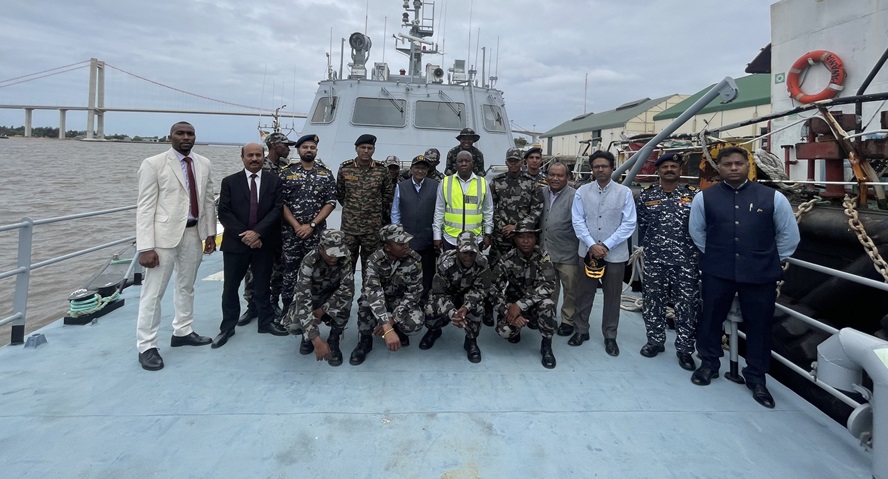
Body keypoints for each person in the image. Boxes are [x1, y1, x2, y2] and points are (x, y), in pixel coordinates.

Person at [689, 146, 800, 409]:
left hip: (760, 273)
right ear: (720, 168)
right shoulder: (704, 199)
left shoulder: (773, 198)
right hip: (718, 270)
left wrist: (764, 257)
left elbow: (788, 236)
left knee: (759, 325)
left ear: (748, 165)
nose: (734, 168)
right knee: (711, 318)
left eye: (739, 163)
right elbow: (698, 232)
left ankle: (757, 377)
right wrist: (719, 255)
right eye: (727, 164)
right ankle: (709, 364)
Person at [135, 121, 217, 371]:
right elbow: (145, 206)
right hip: (163, 238)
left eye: (190, 133)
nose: (185, 137)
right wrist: (146, 246)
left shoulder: (203, 163)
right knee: (153, 292)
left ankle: (182, 331)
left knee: (186, 286)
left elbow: (208, 201)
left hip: (193, 234)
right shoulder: (154, 164)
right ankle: (147, 345)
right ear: (169, 136)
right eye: (180, 133)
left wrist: (211, 233)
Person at [212, 143, 286, 348]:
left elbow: (277, 209)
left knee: (263, 285)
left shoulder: (275, 181)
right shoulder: (229, 182)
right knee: (230, 287)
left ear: (263, 157)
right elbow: (224, 212)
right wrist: (245, 235)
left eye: (258, 155)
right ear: (242, 157)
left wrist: (258, 233)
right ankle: (227, 327)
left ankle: (266, 322)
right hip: (236, 243)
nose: (254, 159)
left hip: (264, 242)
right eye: (250, 155)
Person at [636, 153, 699, 371]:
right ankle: (655, 341)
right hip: (655, 260)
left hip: (686, 261)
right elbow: (642, 226)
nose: (669, 169)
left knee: (686, 305)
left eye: (674, 166)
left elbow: (700, 227)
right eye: (665, 167)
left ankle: (684, 349)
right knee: (653, 301)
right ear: (658, 171)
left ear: (680, 170)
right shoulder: (647, 196)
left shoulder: (694, 196)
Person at [570, 150, 637, 356]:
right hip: (588, 252)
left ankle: (610, 335)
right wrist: (591, 244)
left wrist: (606, 245)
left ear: (612, 168)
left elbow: (629, 223)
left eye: (604, 166)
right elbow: (578, 220)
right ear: (592, 169)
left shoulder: (624, 193)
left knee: (612, 296)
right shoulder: (582, 191)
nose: (600, 169)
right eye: (597, 166)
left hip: (615, 255)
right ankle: (581, 330)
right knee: (584, 293)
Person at [239, 131, 295, 325]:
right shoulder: (260, 168)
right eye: (285, 145)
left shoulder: (286, 168)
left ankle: (273, 302)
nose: (289, 148)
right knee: (253, 269)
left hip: (280, 228)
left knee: (279, 268)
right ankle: (252, 305)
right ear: (274, 146)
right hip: (259, 227)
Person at [349, 224, 425, 366]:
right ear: (387, 247)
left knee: (415, 322)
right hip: (379, 299)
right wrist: (385, 325)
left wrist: (393, 321)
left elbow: (413, 293)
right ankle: (365, 340)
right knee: (365, 303)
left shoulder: (414, 260)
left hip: (399, 301)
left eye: (407, 241)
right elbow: (373, 292)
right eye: (400, 243)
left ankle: (398, 329)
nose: (406, 245)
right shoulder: (374, 260)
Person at [279, 134, 337, 318]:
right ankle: (289, 311)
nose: (309, 150)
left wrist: (311, 225)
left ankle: (314, 311)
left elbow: (330, 202)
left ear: (316, 150)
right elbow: (281, 202)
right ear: (298, 150)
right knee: (290, 273)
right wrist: (297, 226)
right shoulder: (286, 173)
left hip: (316, 233)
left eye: (312, 147)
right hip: (291, 233)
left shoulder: (325, 173)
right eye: (305, 147)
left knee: (317, 273)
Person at [282, 229, 355, 367]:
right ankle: (307, 336)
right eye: (331, 254)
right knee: (292, 324)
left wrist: (322, 311)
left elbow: (346, 289)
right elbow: (303, 298)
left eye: (337, 253)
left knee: (345, 303)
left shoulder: (344, 258)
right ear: (321, 248)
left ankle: (334, 339)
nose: (335, 258)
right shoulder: (309, 261)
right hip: (312, 298)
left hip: (332, 298)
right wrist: (316, 339)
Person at [491, 219, 558, 369]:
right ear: (515, 239)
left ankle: (546, 346)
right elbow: (493, 290)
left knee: (548, 305)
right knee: (505, 331)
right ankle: (517, 329)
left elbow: (548, 285)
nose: (526, 241)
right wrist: (508, 310)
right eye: (521, 237)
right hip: (512, 305)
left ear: (536, 239)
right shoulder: (506, 260)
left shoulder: (543, 257)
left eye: (530, 236)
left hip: (533, 305)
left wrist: (520, 305)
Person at [420, 231, 491, 363]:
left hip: (468, 296)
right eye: (465, 253)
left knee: (478, 308)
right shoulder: (445, 262)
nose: (469, 257)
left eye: (472, 253)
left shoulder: (482, 263)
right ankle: (434, 330)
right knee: (430, 307)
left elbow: (482, 289)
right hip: (448, 295)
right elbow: (438, 292)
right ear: (457, 249)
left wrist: (467, 307)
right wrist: (452, 312)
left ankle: (470, 340)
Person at [336, 134, 393, 282]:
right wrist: (353, 210)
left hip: (372, 229)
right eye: (363, 148)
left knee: (370, 267)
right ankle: (344, 300)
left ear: (373, 150)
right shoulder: (345, 168)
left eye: (369, 148)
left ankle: (367, 301)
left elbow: (387, 195)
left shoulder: (382, 170)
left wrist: (373, 210)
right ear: (356, 149)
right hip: (350, 228)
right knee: (346, 266)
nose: (366, 151)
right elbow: (340, 194)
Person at [539, 162, 579, 337]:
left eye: (559, 175)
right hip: (545, 252)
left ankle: (568, 320)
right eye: (551, 174)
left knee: (570, 289)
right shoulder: (541, 193)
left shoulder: (575, 197)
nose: (554, 178)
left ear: (567, 177)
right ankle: (549, 316)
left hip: (567, 252)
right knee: (549, 288)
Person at [392, 154, 439, 298]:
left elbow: (439, 211)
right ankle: (405, 300)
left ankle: (424, 300)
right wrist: (398, 236)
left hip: (427, 239)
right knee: (406, 272)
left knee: (427, 273)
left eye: (423, 168)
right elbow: (395, 212)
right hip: (407, 241)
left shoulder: (435, 185)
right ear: (411, 169)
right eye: (417, 168)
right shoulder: (401, 186)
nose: (420, 171)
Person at [489, 147, 543, 265]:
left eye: (516, 161)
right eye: (510, 161)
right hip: (501, 237)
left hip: (523, 237)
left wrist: (517, 227)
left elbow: (537, 210)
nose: (513, 164)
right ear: (506, 163)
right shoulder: (496, 181)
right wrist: (502, 227)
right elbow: (490, 207)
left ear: (522, 162)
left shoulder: (532, 183)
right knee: (497, 269)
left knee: (521, 269)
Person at [432, 150, 493, 252]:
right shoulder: (445, 182)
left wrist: (488, 233)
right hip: (451, 239)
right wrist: (437, 236)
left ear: (472, 163)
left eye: (467, 161)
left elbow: (488, 211)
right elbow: (439, 211)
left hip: (475, 239)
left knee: (475, 268)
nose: (464, 163)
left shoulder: (483, 183)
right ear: (456, 164)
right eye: (460, 161)